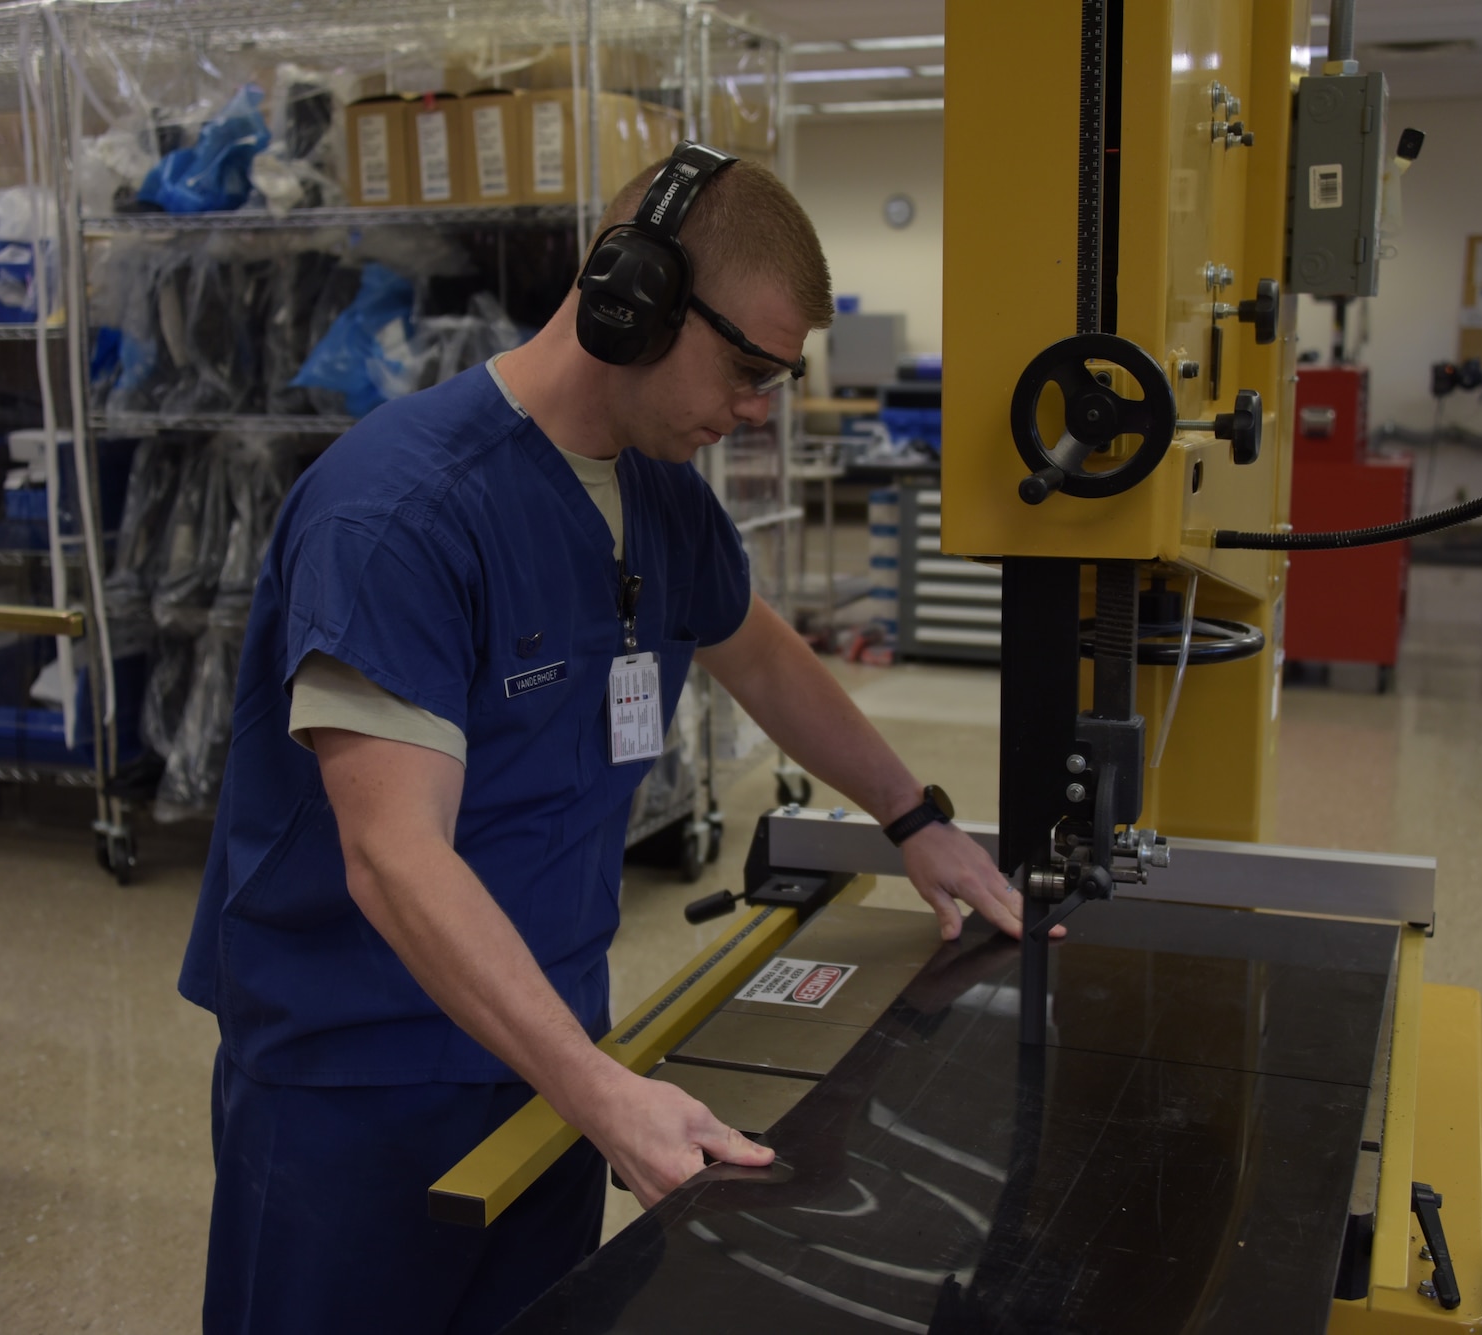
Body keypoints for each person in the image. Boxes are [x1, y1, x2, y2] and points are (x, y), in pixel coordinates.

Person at [178, 144, 1043, 1335]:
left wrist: (914, 821)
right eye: (745, 367)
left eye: (777, 381)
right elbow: (393, 855)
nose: (755, 411)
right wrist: (600, 1094)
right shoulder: (398, 515)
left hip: (548, 1045)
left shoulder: (658, 491)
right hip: (360, 1081)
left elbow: (759, 652)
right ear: (626, 298)